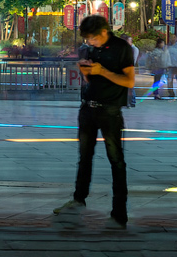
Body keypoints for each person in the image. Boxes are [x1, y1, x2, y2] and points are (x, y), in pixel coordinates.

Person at [53, 14, 134, 229]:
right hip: (88, 107)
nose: (90, 43)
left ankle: (119, 212)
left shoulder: (121, 48)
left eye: (92, 39)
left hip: (110, 111)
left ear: (104, 32)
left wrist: (103, 71)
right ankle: (78, 199)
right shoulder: (91, 49)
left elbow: (129, 80)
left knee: (116, 160)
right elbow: (91, 80)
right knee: (84, 157)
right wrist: (86, 71)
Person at [125, 36, 139, 108]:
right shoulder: (129, 49)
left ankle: (131, 101)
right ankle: (130, 102)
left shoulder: (133, 49)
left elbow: (132, 60)